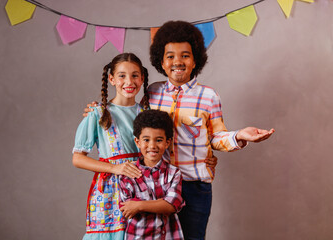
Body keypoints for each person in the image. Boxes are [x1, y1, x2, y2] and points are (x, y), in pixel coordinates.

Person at [147, 20, 275, 239]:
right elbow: (135, 124)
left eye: (185, 55)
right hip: (156, 184)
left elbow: (215, 137)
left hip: (195, 187)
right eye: (170, 56)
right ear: (161, 60)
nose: (178, 61)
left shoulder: (209, 96)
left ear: (196, 59)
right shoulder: (151, 93)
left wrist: (238, 136)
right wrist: (99, 109)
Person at [72, 53, 150, 240]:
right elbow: (77, 158)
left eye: (135, 75)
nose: (129, 81)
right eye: (122, 75)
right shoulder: (98, 113)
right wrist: (115, 168)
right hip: (110, 191)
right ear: (111, 79)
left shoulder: (147, 114)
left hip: (142, 187)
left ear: (142, 79)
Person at [119, 109, 185, 240]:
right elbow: (127, 208)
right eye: (146, 140)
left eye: (159, 140)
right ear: (137, 142)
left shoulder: (173, 173)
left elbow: (170, 206)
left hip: (169, 236)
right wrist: (159, 204)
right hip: (138, 236)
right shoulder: (128, 173)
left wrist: (139, 205)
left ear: (167, 142)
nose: (152, 145)